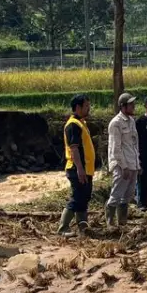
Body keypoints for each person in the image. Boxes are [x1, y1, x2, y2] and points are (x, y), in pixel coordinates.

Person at [59, 94, 94, 234]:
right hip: (77, 168)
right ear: (78, 107)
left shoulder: (81, 123)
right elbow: (74, 148)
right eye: (86, 106)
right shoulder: (73, 125)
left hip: (85, 168)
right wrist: (80, 169)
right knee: (78, 197)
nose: (89, 108)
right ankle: (63, 228)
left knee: (84, 197)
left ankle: (83, 227)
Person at [106, 92, 140, 227]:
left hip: (133, 163)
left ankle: (122, 221)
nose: (133, 106)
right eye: (131, 104)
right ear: (123, 106)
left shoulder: (131, 121)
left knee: (128, 194)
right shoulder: (116, 123)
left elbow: (134, 144)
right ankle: (110, 222)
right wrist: (123, 166)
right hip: (122, 165)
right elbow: (116, 148)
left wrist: (138, 163)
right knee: (117, 194)